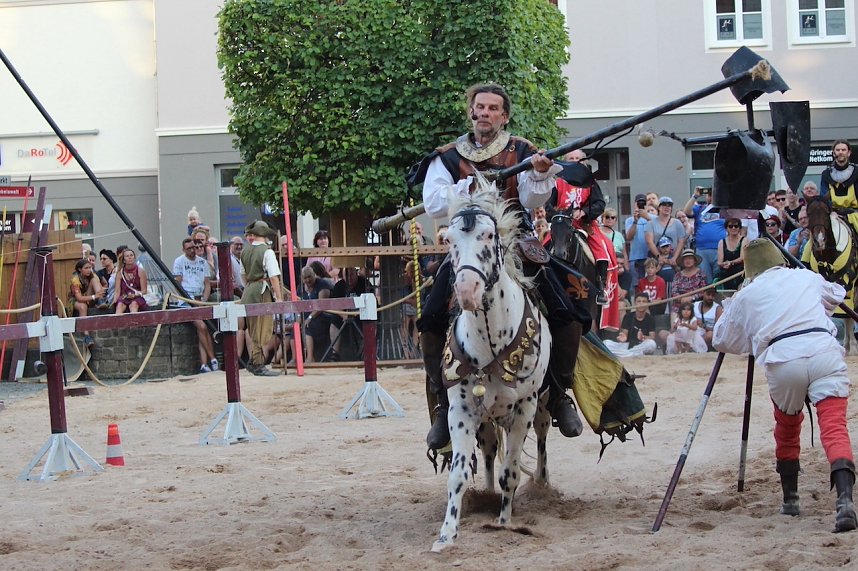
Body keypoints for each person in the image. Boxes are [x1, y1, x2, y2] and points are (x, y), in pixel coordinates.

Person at [412, 82, 586, 449]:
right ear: (471, 112)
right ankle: (445, 406)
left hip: (515, 238)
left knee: (566, 307)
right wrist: (470, 188)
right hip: (469, 243)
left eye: (493, 108)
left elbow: (533, 197)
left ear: (503, 116)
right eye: (480, 107)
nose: (485, 113)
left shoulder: (522, 151)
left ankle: (557, 394)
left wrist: (540, 173)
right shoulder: (446, 156)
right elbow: (432, 202)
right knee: (430, 316)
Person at [713, 238, 857, 533]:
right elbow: (837, 294)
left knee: (787, 427)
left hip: (783, 360)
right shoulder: (805, 276)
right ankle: (844, 502)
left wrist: (754, 331)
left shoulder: (746, 295)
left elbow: (722, 340)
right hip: (823, 351)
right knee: (834, 427)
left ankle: (791, 500)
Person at [553, 148, 616, 306]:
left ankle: (601, 288)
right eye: (571, 158)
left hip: (585, 224)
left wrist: (584, 212)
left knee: (601, 251)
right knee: (542, 247)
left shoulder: (591, 182)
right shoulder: (557, 182)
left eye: (577, 158)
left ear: (583, 162)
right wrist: (558, 214)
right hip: (562, 224)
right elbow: (549, 205)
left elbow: (599, 204)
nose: (574, 161)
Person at [240, 220, 283, 376]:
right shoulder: (267, 252)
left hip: (250, 290)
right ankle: (258, 363)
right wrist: (278, 297)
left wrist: (250, 287)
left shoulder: (245, 251)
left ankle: (254, 360)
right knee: (261, 328)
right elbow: (273, 277)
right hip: (262, 291)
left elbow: (243, 275)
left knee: (253, 328)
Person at [173, 237, 218, 374]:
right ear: (183, 250)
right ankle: (213, 358)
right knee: (202, 325)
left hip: (199, 298)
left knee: (203, 329)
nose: (192, 250)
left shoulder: (202, 262)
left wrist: (204, 299)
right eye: (189, 248)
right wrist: (186, 298)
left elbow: (207, 283)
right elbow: (178, 283)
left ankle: (204, 364)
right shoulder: (179, 262)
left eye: (194, 247)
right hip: (186, 299)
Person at [683, 186, 725, 283]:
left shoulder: (724, 210)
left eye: (713, 195)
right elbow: (686, 211)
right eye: (709, 195)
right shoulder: (700, 208)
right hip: (702, 249)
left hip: (719, 248)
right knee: (705, 279)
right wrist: (695, 196)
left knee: (719, 278)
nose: (711, 197)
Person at [68, 259, 107, 347]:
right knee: (83, 307)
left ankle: (100, 300)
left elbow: (105, 284)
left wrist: (100, 292)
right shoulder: (75, 280)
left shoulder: (92, 275)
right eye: (86, 268)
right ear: (79, 269)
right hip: (76, 300)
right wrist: (94, 297)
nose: (89, 270)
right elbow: (79, 298)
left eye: (90, 267)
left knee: (94, 280)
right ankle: (86, 336)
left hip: (89, 297)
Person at [300, 265, 334, 363]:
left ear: (314, 275)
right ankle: (297, 358)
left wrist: (310, 317)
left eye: (309, 277)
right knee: (297, 328)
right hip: (307, 315)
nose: (308, 280)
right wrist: (299, 318)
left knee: (308, 325)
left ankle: (310, 358)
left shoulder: (322, 284)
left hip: (324, 315)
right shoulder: (301, 288)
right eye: (305, 278)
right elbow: (298, 304)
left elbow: (321, 305)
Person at [645, 196, 687, 274]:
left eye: (669, 205)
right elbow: (649, 242)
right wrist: (659, 257)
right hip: (656, 260)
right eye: (664, 205)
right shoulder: (651, 223)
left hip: (674, 260)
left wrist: (674, 258)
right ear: (659, 207)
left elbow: (681, 241)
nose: (667, 207)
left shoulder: (677, 223)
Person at [625, 193, 654, 288]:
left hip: (650, 256)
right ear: (635, 204)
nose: (641, 205)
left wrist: (648, 217)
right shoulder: (629, 220)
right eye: (639, 203)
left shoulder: (653, 218)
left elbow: (657, 232)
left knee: (651, 285)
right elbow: (629, 237)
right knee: (637, 286)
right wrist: (635, 221)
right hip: (635, 258)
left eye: (643, 203)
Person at [821, 140, 858, 210]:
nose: (840, 152)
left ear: (849, 153)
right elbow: (824, 198)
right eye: (838, 150)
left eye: (843, 150)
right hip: (833, 214)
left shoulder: (856, 172)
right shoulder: (826, 174)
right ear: (834, 153)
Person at [600, 207, 629, 297]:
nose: (610, 219)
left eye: (612, 217)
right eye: (607, 217)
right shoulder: (598, 232)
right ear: (602, 218)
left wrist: (626, 267)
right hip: (606, 265)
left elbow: (624, 252)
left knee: (628, 277)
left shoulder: (619, 235)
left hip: (619, 264)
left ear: (616, 220)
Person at [671, 249, 708, 316]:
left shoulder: (701, 274)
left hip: (696, 304)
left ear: (694, 261)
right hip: (680, 304)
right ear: (683, 261)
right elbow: (674, 292)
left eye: (690, 258)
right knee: (674, 314)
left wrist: (691, 298)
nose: (688, 261)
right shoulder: (677, 275)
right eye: (685, 259)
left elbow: (703, 291)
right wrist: (681, 299)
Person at [115, 248, 148, 314]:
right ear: (124, 260)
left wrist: (135, 295)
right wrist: (115, 302)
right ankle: (117, 323)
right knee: (119, 306)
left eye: (131, 255)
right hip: (124, 297)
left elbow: (144, 291)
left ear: (134, 257)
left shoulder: (140, 271)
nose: (130, 257)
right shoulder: (120, 273)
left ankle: (133, 323)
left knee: (134, 304)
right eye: (127, 256)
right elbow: (117, 291)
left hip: (137, 297)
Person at [716, 217, 745, 290]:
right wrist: (724, 264)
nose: (733, 228)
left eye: (736, 226)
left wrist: (731, 262)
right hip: (726, 272)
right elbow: (719, 262)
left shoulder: (744, 240)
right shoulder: (722, 242)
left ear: (739, 228)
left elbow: (742, 258)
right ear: (726, 228)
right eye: (730, 226)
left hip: (740, 272)